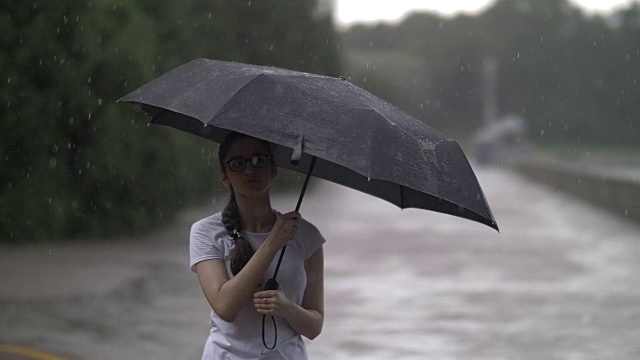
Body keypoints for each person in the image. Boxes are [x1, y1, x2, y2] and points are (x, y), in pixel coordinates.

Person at [189, 132, 325, 359]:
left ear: (273, 169)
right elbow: (225, 306)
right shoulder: (206, 232)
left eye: (259, 160)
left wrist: (286, 308)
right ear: (224, 176)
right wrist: (272, 243)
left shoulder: (306, 235)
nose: (249, 170)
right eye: (237, 164)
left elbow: (314, 327)